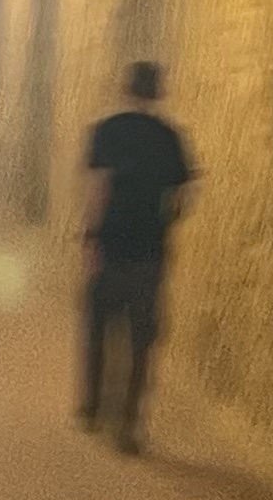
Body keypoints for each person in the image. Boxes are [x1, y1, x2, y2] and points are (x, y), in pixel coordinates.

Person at [77, 61, 195, 454]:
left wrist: (91, 236)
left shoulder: (106, 131)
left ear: (126, 89)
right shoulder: (171, 138)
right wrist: (166, 221)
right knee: (141, 336)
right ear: (159, 92)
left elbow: (100, 187)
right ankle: (128, 422)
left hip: (111, 242)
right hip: (149, 249)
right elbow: (183, 194)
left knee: (99, 324)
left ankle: (93, 406)